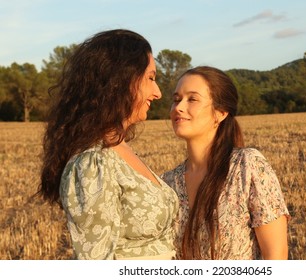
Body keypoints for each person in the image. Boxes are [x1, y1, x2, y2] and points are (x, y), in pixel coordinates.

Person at [38, 29, 178, 260]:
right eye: (151, 78)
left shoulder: (120, 149)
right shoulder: (93, 163)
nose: (158, 93)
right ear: (120, 81)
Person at [161, 66, 290, 260]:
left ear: (220, 113)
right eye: (176, 99)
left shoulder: (247, 166)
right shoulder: (168, 183)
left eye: (192, 99)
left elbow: (276, 256)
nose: (178, 107)